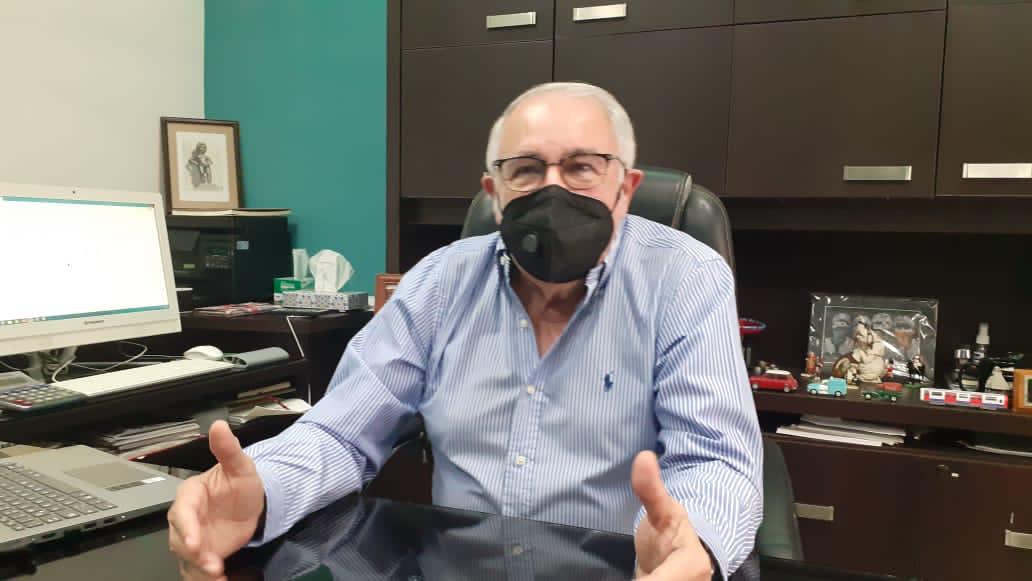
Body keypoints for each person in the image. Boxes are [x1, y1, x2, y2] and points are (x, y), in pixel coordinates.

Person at [167, 82, 763, 580]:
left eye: (582, 167)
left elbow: (716, 458)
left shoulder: (683, 278)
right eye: (526, 170)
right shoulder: (440, 282)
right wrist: (261, 489)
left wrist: (692, 542)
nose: (553, 189)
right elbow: (342, 432)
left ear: (625, 188)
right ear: (495, 195)